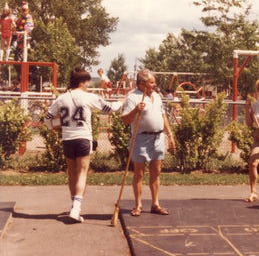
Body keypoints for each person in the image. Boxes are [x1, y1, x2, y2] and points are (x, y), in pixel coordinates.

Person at [44, 68, 125, 222]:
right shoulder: (88, 97)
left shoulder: (61, 99)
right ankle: (76, 208)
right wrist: (122, 101)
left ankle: (73, 205)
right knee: (82, 172)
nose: (88, 85)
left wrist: (57, 128)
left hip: (67, 139)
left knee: (71, 173)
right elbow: (110, 108)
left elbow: (48, 118)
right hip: (83, 138)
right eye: (87, 82)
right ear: (83, 82)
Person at [122, 69, 175, 216]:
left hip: (158, 138)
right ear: (142, 84)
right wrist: (136, 110)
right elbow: (125, 120)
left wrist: (170, 134)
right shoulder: (133, 97)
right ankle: (138, 205)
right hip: (140, 138)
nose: (154, 84)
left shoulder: (157, 96)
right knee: (139, 173)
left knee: (156, 171)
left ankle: (155, 204)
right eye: (151, 82)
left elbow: (163, 117)